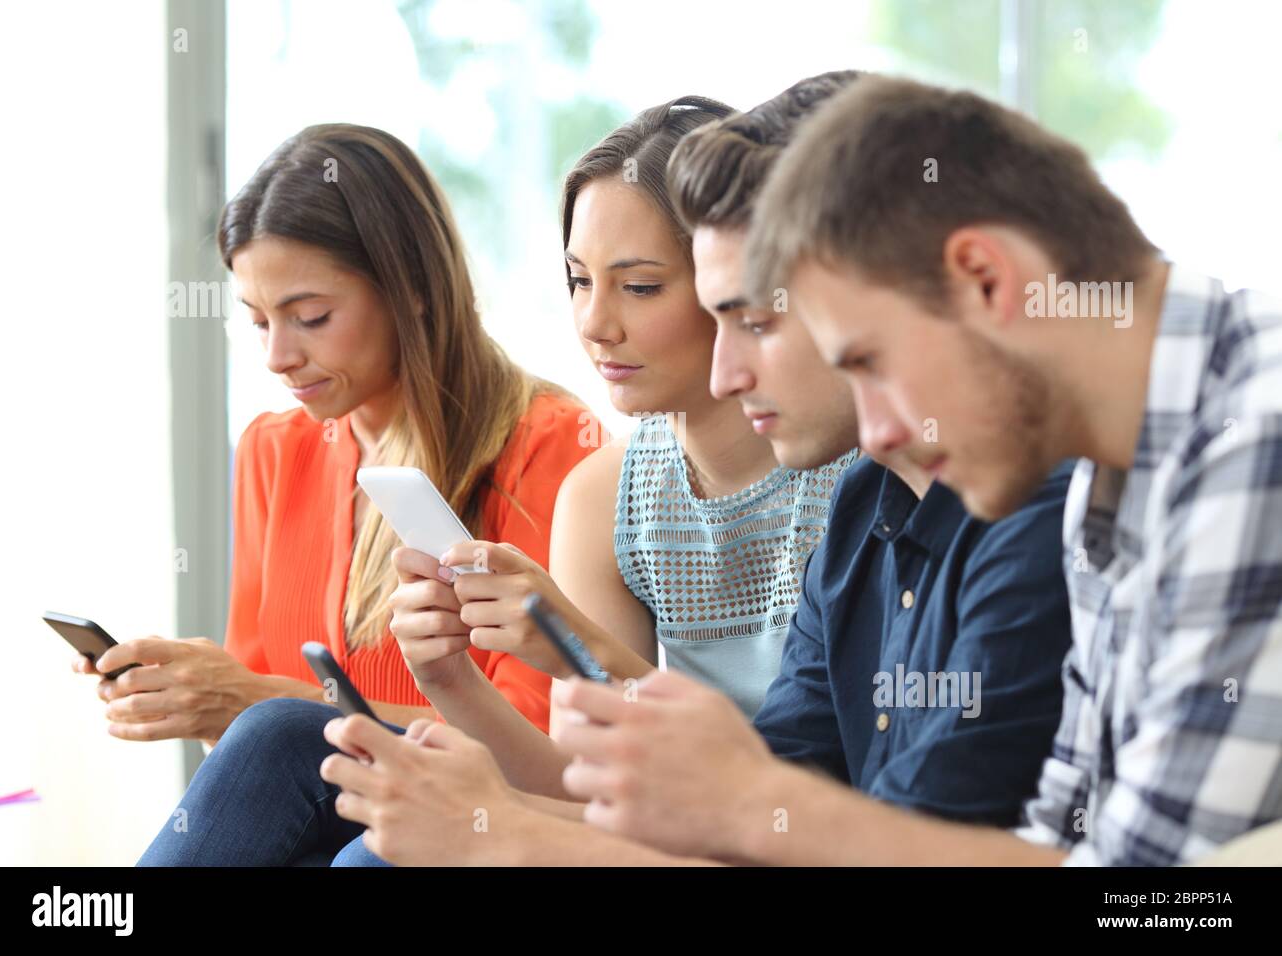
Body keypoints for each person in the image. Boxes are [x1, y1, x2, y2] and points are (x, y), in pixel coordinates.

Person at [312, 73, 1078, 866]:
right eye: (577, 281)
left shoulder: (1030, 518)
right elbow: (752, 818)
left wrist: (509, 834)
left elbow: (793, 830)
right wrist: (464, 716)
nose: (726, 371)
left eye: (755, 321)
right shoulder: (865, 509)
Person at [553, 75, 1282, 866]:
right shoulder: (1108, 487)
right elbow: (1069, 843)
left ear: (985, 278)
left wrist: (753, 804)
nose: (882, 431)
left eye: (870, 361)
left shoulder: (1254, 438)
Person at [139, 98, 854, 866]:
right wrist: (451, 679)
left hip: (749, 832)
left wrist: (576, 651)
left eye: (640, 287)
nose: (594, 323)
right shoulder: (605, 490)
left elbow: (784, 798)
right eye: (578, 280)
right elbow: (588, 782)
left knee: (363, 841)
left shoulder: (853, 484)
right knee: (289, 748)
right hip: (655, 821)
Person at [88, 123, 596, 751]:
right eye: (257, 321)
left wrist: (260, 700)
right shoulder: (273, 450)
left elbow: (538, 744)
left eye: (310, 318)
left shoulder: (549, 446)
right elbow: (247, 741)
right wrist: (196, 698)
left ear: (410, 287)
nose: (277, 356)